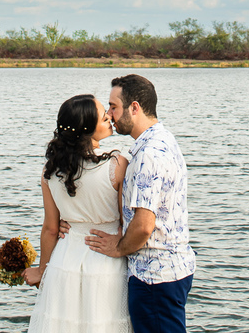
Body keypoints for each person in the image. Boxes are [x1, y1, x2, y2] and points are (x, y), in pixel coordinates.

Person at [84, 75, 196, 333]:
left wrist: (119, 248)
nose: (110, 114)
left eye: (114, 106)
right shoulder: (163, 139)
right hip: (170, 268)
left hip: (154, 276)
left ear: (134, 108)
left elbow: (144, 225)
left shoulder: (148, 154)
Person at [23, 94, 131, 333]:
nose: (110, 118)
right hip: (106, 259)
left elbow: (51, 229)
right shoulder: (117, 164)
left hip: (65, 261)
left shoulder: (51, 170)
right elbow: (127, 223)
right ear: (88, 130)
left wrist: (43, 271)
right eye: (104, 117)